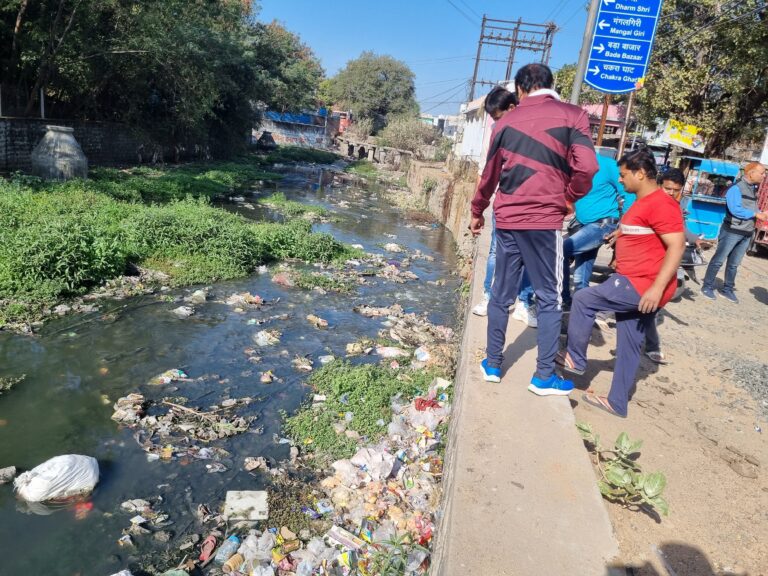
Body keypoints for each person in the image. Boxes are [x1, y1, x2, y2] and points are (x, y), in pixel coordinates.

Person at [469, 63, 598, 395]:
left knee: (500, 294)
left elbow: (489, 176)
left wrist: (477, 210)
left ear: (520, 89)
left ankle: (493, 365)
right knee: (550, 297)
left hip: (508, 218)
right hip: (543, 221)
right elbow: (587, 167)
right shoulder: (573, 115)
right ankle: (543, 376)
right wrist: (569, 198)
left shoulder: (504, 122)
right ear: (551, 85)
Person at [559, 149, 685, 417]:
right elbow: (644, 229)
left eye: (624, 174)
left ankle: (576, 359)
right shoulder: (642, 200)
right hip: (635, 278)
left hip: (643, 283)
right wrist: (622, 234)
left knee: (583, 299)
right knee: (629, 344)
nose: (620, 179)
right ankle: (617, 402)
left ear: (640, 174)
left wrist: (656, 288)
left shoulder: (662, 203)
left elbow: (676, 246)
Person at [471, 87, 537, 327]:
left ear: (512, 107)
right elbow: (489, 172)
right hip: (507, 202)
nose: (496, 123)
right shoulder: (497, 131)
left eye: (498, 117)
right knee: (496, 252)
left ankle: (523, 302)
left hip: (535, 204)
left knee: (530, 256)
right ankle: (489, 295)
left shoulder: (536, 127)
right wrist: (477, 208)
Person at [700, 162, 767, 303]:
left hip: (746, 233)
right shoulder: (736, 188)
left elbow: (751, 208)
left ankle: (727, 289)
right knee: (718, 260)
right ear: (751, 173)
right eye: (761, 173)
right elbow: (735, 209)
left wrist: (761, 213)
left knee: (734, 264)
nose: (764, 175)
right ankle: (707, 286)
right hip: (732, 231)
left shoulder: (753, 189)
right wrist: (756, 215)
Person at [562, 153, 624, 305]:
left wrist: (624, 226)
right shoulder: (572, 166)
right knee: (582, 271)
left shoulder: (607, 165)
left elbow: (627, 195)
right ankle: (580, 306)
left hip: (602, 224)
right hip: (583, 223)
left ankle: (564, 299)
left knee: (561, 251)